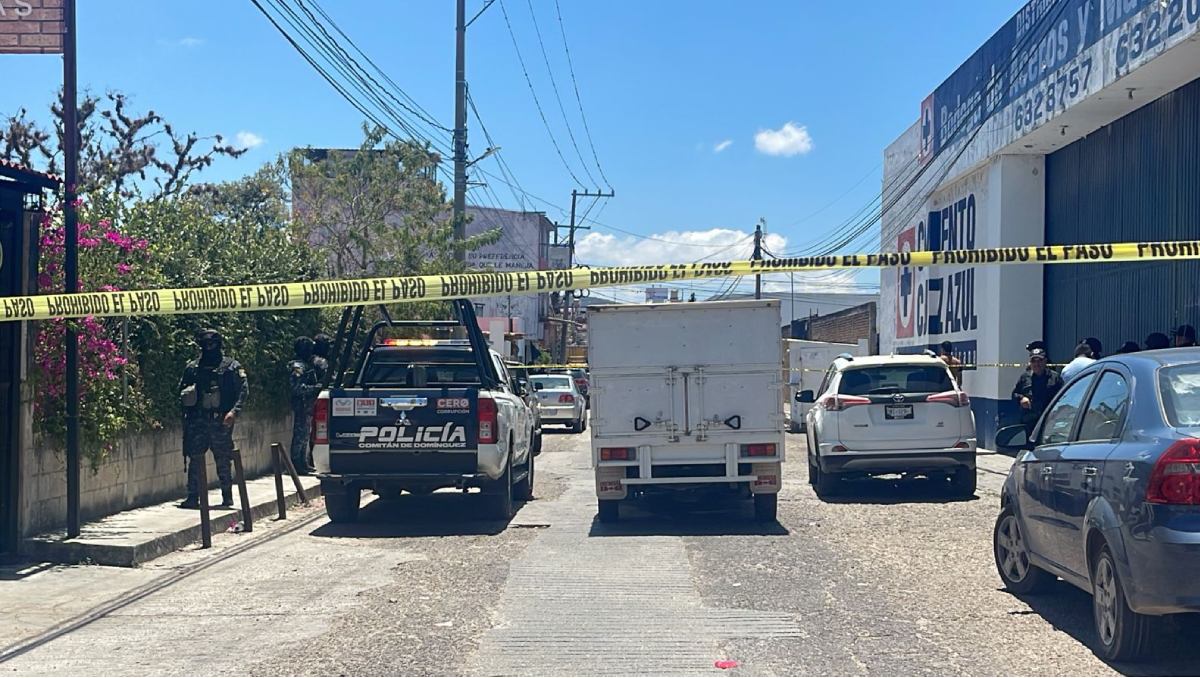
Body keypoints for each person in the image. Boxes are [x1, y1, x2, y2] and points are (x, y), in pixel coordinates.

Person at [178, 329, 248, 509]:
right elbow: (182, 392)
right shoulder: (193, 368)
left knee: (223, 459)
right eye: (205, 345)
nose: (209, 348)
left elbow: (243, 391)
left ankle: (226, 495)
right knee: (195, 458)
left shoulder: (231, 367)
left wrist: (234, 412)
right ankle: (193, 496)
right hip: (198, 420)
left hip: (221, 420)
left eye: (212, 344)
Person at [1012, 348, 1063, 439]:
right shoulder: (1025, 377)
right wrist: (1021, 398)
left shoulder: (1055, 378)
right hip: (1030, 422)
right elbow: (1015, 394)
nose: (1037, 364)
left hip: (1049, 422)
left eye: (1040, 360)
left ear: (1045, 361)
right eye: (1033, 361)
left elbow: (1064, 397)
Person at [289, 336, 321, 474]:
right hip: (302, 404)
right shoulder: (298, 367)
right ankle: (297, 464)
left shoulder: (306, 365)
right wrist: (315, 388)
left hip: (308, 405)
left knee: (305, 435)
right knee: (299, 435)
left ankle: (303, 462)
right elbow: (297, 388)